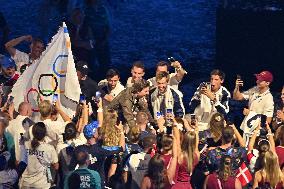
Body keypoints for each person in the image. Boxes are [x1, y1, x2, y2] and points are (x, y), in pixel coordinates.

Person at [233, 71, 274, 136]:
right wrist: (237, 87)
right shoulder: (254, 89)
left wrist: (250, 113)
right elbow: (237, 97)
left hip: (256, 133)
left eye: (260, 80)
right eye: (258, 79)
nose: (257, 81)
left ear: (267, 83)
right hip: (247, 128)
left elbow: (268, 120)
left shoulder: (269, 98)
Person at [19, 122, 59, 189]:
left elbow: (20, 161)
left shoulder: (25, 144)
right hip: (42, 185)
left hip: (25, 183)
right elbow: (56, 167)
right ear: (45, 133)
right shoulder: (49, 148)